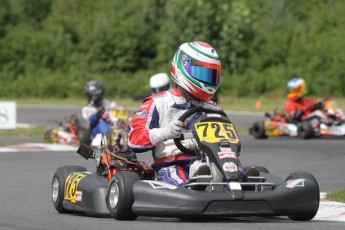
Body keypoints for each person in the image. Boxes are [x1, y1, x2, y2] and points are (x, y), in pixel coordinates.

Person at [128, 41, 249, 187]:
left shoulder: (214, 108)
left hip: (209, 160)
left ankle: (238, 181)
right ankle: (196, 187)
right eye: (202, 73)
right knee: (175, 177)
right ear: (182, 68)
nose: (208, 79)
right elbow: (134, 140)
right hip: (171, 163)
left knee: (234, 169)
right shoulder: (157, 103)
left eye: (212, 75)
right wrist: (165, 132)